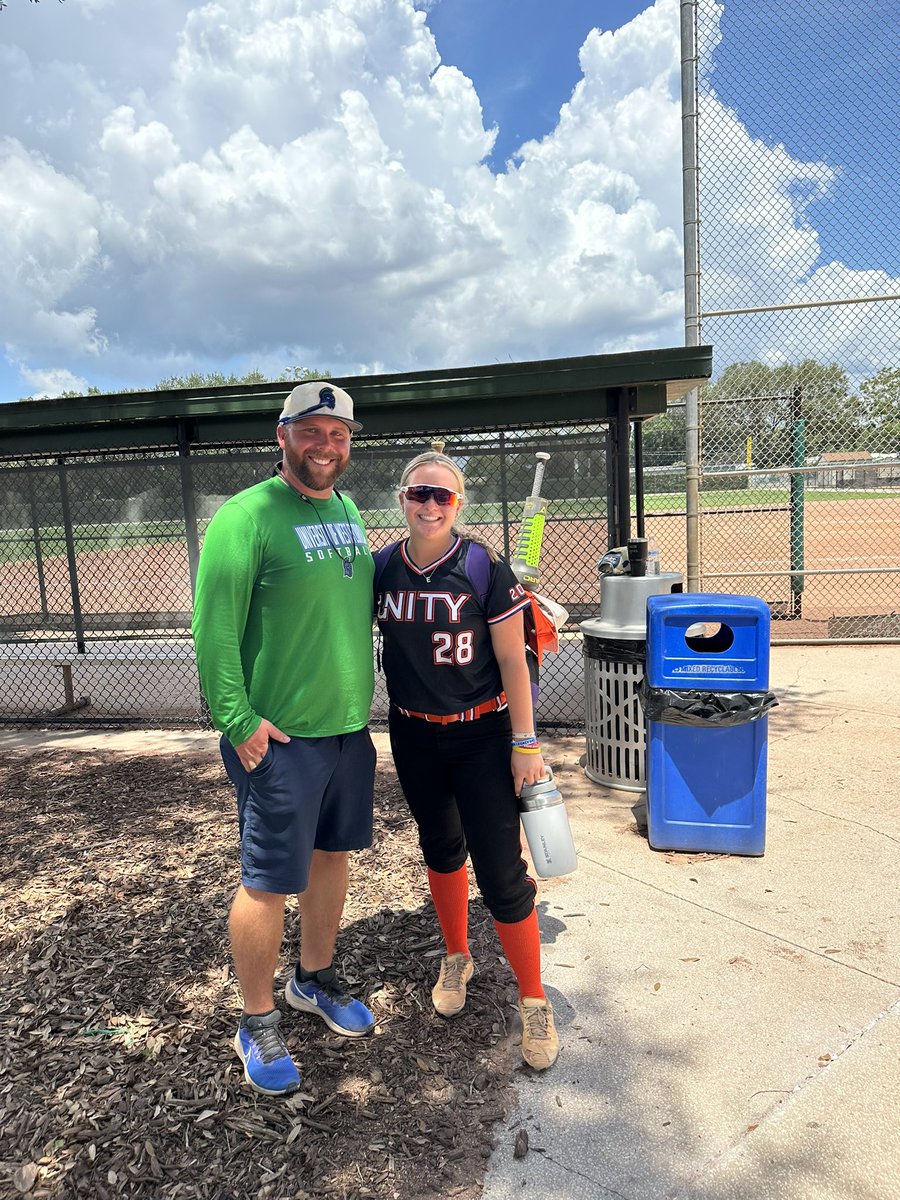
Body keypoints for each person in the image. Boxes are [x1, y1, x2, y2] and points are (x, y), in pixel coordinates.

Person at [192, 380, 377, 1097]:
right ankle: (257, 1019)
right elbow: (213, 632)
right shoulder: (246, 517)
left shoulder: (349, 510)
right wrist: (237, 722)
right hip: (278, 740)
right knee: (268, 880)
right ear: (282, 435)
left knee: (332, 858)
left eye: (338, 435)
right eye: (312, 431)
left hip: (346, 734)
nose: (325, 446)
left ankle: (314, 980)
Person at [375, 451, 559, 1070]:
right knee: (440, 847)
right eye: (419, 494)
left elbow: (513, 662)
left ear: (460, 505)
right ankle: (458, 955)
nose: (430, 506)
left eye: (443, 497)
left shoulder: (483, 569)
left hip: (482, 734)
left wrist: (525, 743)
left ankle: (533, 999)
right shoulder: (382, 570)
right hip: (414, 733)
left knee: (501, 871)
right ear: (403, 499)